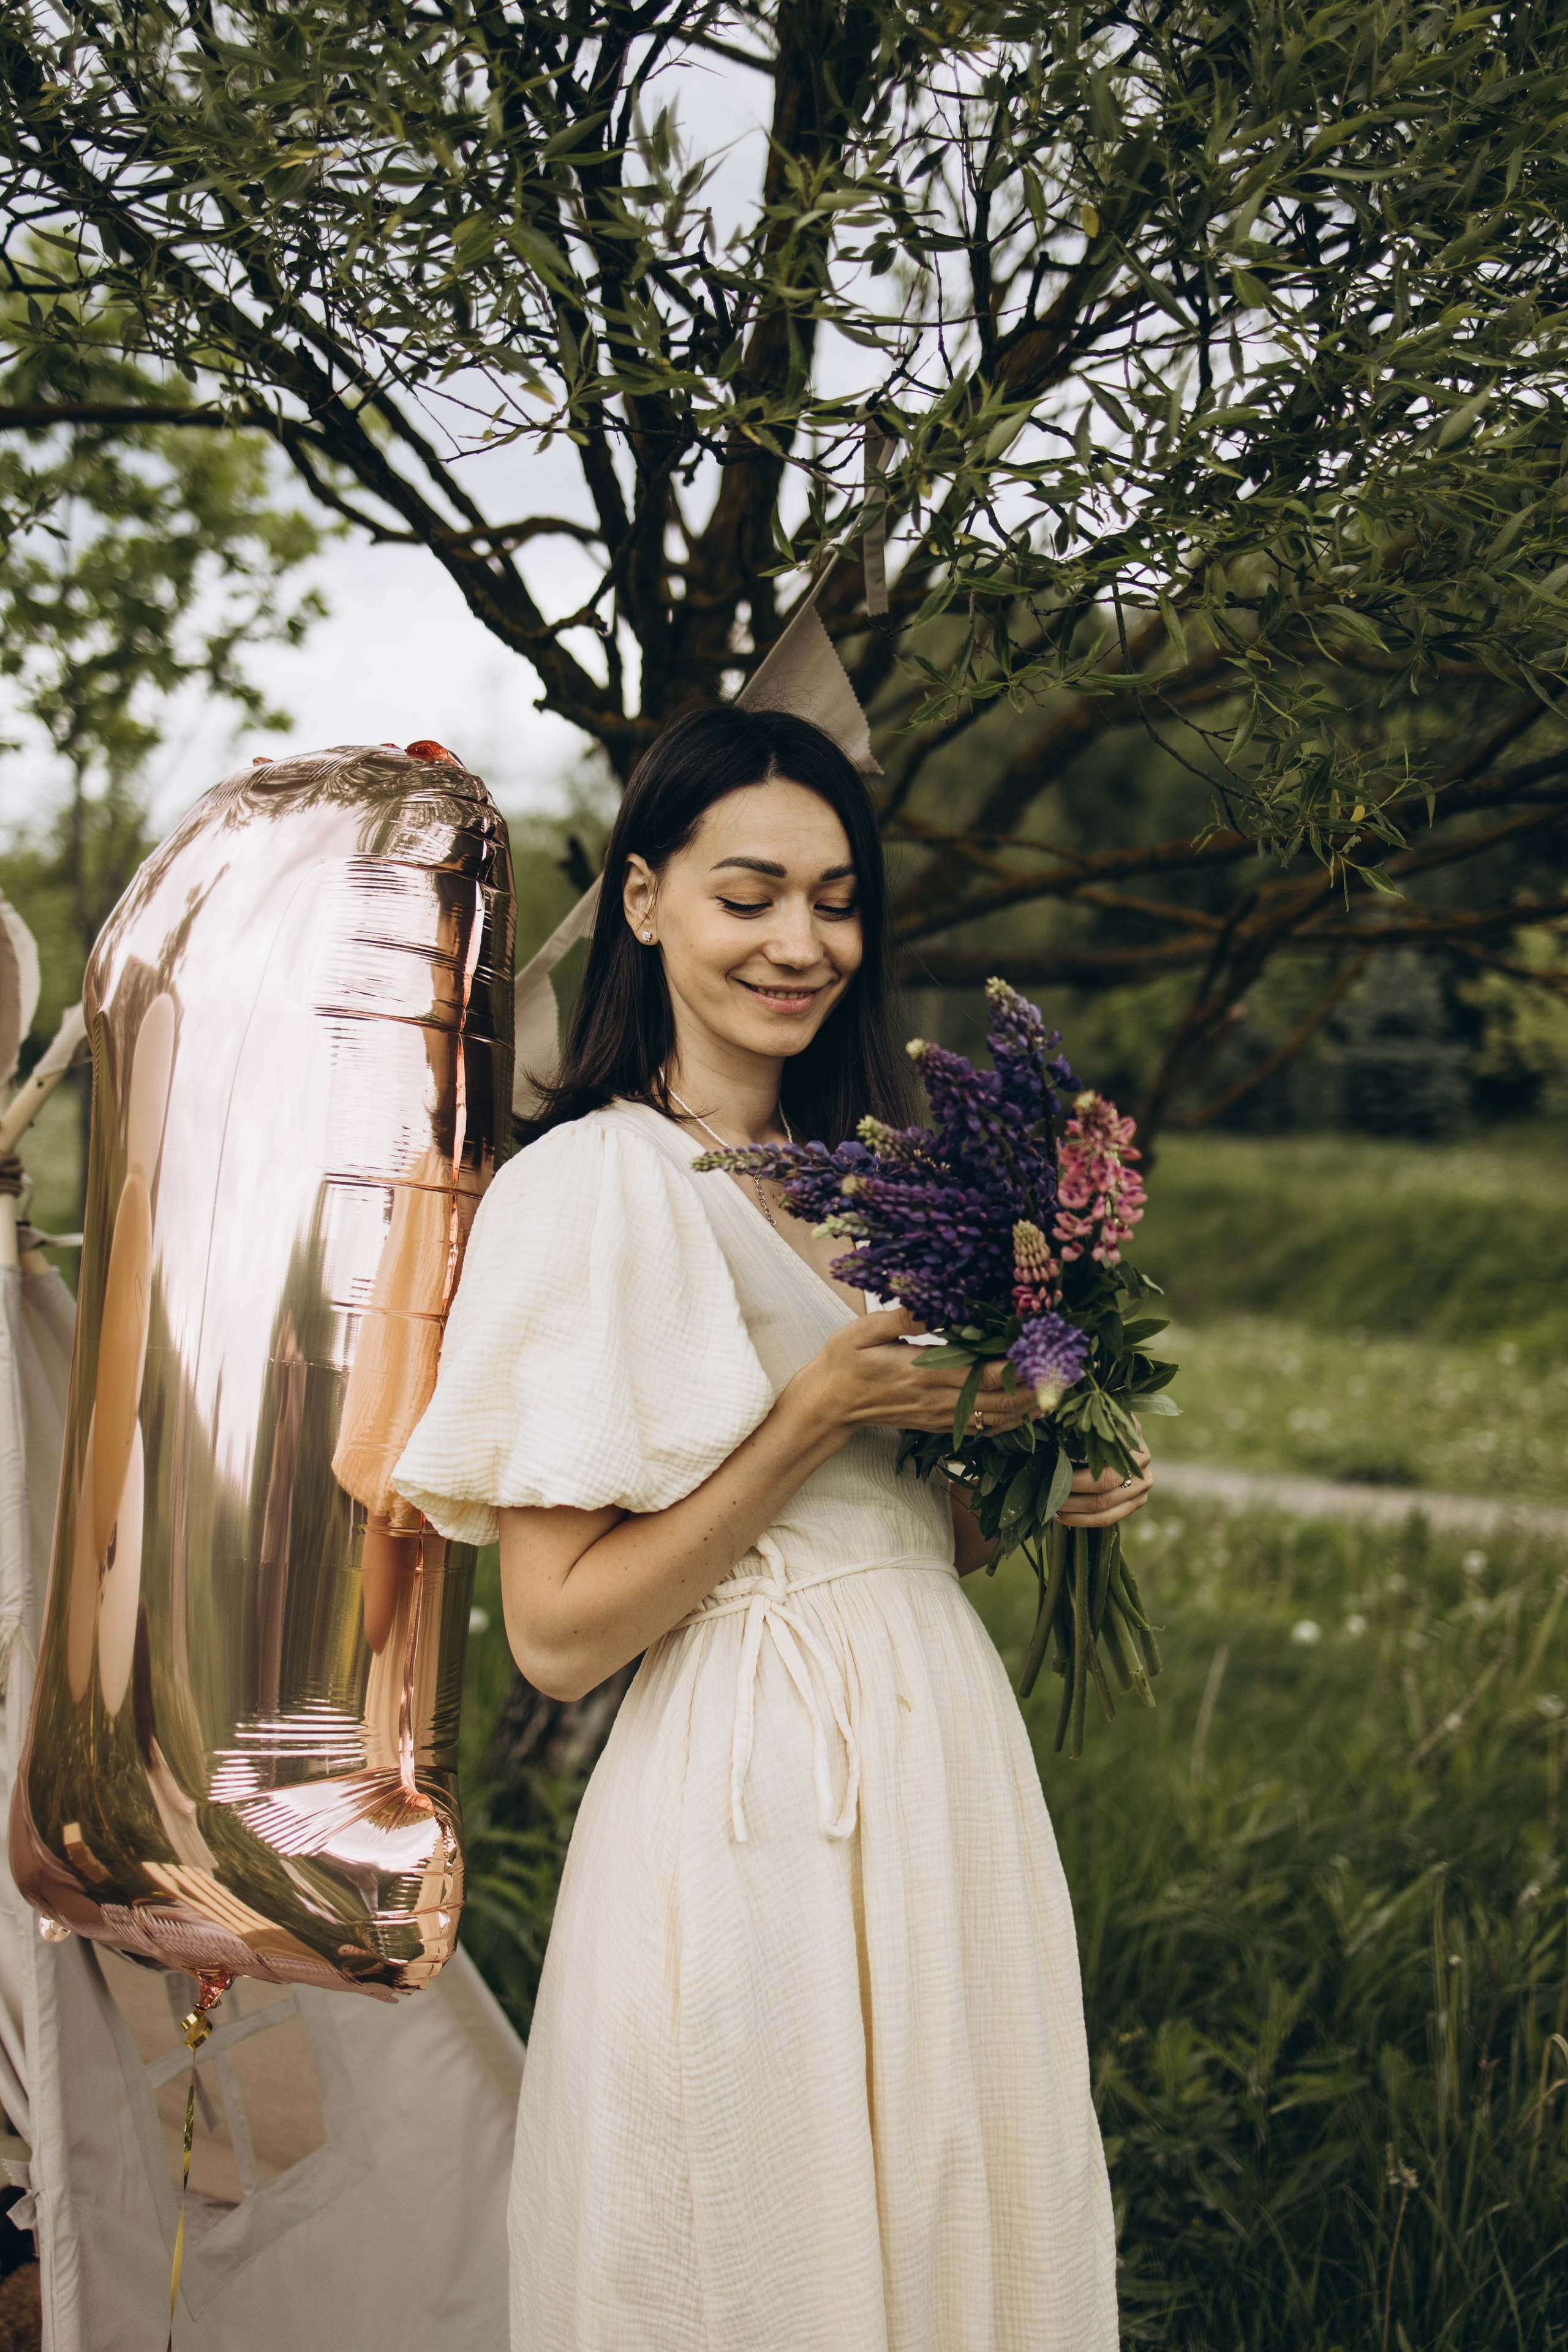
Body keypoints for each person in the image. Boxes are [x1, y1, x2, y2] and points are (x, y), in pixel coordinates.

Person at [393, 704, 1153, 2351]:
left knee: (953, 2215)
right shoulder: (592, 1188)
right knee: (759, 2237)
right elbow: (559, 1632)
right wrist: (808, 1416)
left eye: (835, 898)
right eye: (750, 896)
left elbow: (903, 1537)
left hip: (942, 1774)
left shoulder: (877, 1196)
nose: (800, 942)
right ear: (647, 898)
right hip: (746, 1809)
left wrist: (1038, 1481)